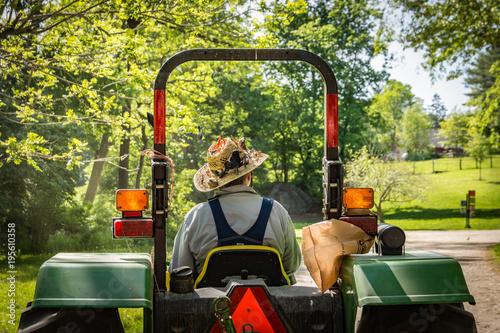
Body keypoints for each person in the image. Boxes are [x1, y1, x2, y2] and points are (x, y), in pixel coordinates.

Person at [169, 136, 301, 283]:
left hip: (212, 304)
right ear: (249, 175)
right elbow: (291, 266)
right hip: (268, 302)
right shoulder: (276, 211)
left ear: (216, 182)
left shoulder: (196, 216)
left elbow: (180, 269)